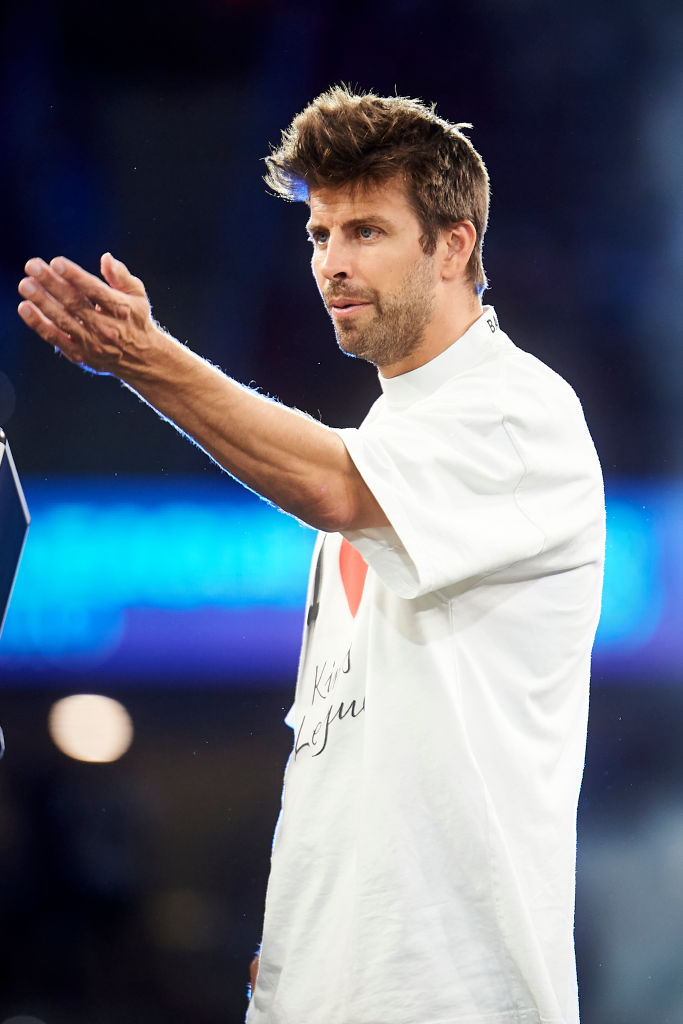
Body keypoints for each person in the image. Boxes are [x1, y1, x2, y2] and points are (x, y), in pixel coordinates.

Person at [17, 86, 605, 1024]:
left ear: (453, 245)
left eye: (365, 231)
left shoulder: (517, 411)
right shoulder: (394, 438)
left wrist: (145, 357)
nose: (331, 262)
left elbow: (333, 484)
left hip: (456, 1000)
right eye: (317, 235)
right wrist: (299, 958)